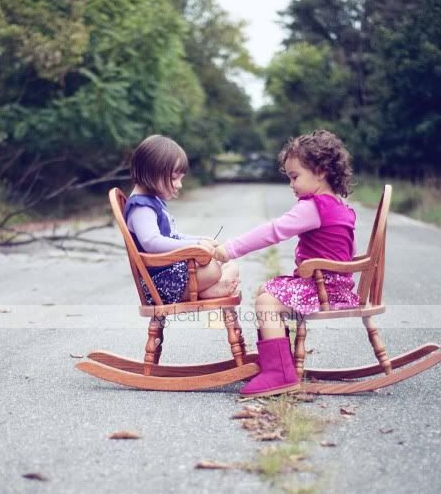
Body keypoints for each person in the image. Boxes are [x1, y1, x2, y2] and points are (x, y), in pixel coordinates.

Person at [215, 130, 359, 397]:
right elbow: (345, 251)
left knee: (266, 302)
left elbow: (273, 231)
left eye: (295, 177)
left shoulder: (313, 206)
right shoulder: (340, 205)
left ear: (320, 171)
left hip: (323, 287)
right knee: (265, 291)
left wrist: (230, 248)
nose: (291, 184)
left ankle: (279, 374)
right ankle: (278, 363)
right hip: (338, 285)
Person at [125, 134, 240, 305]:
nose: (179, 184)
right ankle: (208, 292)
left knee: (229, 265)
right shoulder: (141, 207)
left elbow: (173, 236)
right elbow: (152, 242)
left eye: (181, 178)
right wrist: (194, 247)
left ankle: (210, 289)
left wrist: (199, 240)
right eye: (173, 178)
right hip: (161, 283)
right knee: (214, 269)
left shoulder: (152, 201)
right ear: (151, 172)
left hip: (172, 273)